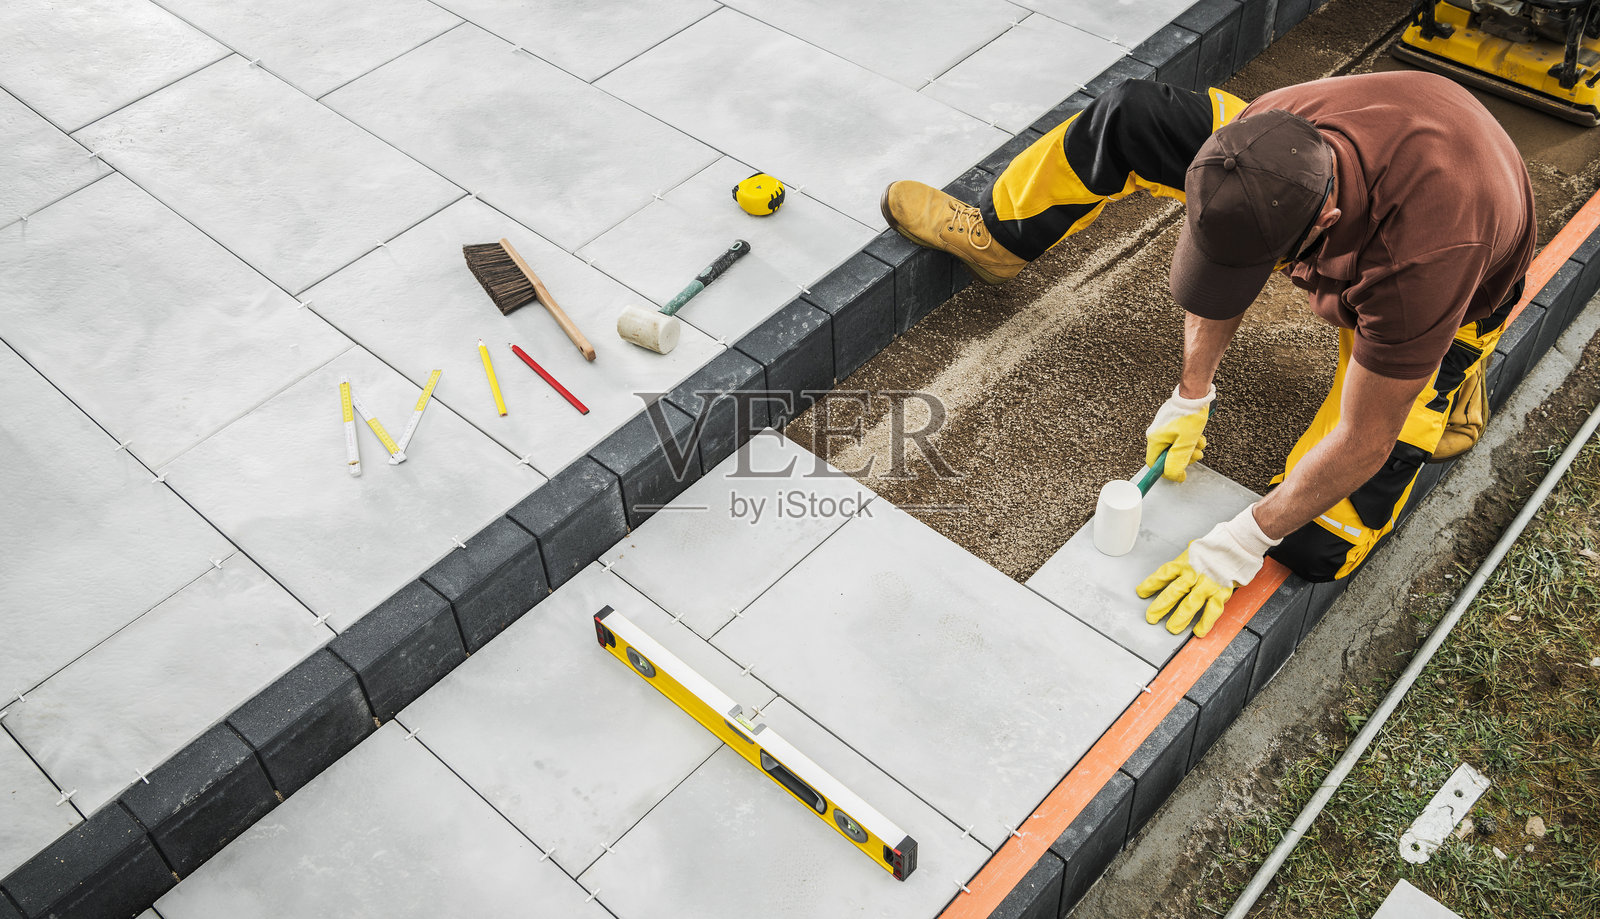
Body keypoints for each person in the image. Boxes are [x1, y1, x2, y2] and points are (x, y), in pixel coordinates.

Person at [881, 72, 1535, 638]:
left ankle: (1453, 379)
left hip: (1462, 284)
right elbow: (1225, 253)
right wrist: (1192, 391)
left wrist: (1242, 541)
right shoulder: (1260, 142)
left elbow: (1365, 437)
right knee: (1132, 116)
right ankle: (1000, 235)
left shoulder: (1421, 263)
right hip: (1360, 159)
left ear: (1325, 227)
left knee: (1314, 542)